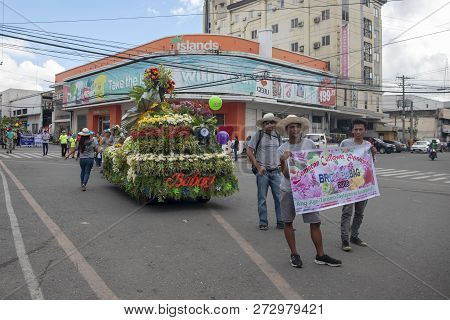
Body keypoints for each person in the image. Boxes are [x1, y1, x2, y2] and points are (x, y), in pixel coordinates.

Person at [278, 115, 342, 268]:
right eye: (291, 127)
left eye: (297, 126)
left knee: (315, 222)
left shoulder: (309, 143)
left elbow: (318, 163)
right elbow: (286, 175)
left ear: (301, 128)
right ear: (286, 130)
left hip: (308, 190)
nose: (294, 129)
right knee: (288, 222)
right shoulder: (282, 148)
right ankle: (294, 254)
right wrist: (283, 160)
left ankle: (320, 255)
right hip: (288, 190)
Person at [339, 118, 376, 252]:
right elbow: (338, 161)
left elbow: (370, 165)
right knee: (347, 212)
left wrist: (373, 154)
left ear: (365, 130)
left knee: (359, 213)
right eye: (356, 129)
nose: (358, 132)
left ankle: (354, 236)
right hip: (349, 184)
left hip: (363, 185)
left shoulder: (368, 145)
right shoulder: (345, 143)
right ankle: (344, 239)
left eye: (361, 129)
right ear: (352, 130)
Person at [246, 113, 283, 230]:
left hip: (276, 172)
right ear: (263, 125)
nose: (270, 125)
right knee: (262, 198)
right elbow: (249, 151)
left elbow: (281, 151)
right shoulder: (259, 135)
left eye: (272, 122)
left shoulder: (278, 135)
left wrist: (282, 165)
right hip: (263, 172)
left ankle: (281, 221)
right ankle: (263, 222)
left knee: (279, 198)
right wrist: (258, 166)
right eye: (267, 123)